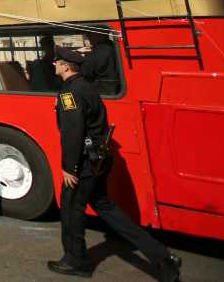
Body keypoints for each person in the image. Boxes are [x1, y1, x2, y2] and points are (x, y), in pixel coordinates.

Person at [47, 48, 180, 280]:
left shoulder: (70, 93)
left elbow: (73, 132)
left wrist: (70, 167)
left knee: (70, 209)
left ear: (66, 66)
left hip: (83, 163)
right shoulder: (85, 87)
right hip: (98, 158)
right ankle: (162, 256)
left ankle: (75, 261)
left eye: (57, 62)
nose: (54, 65)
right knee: (106, 208)